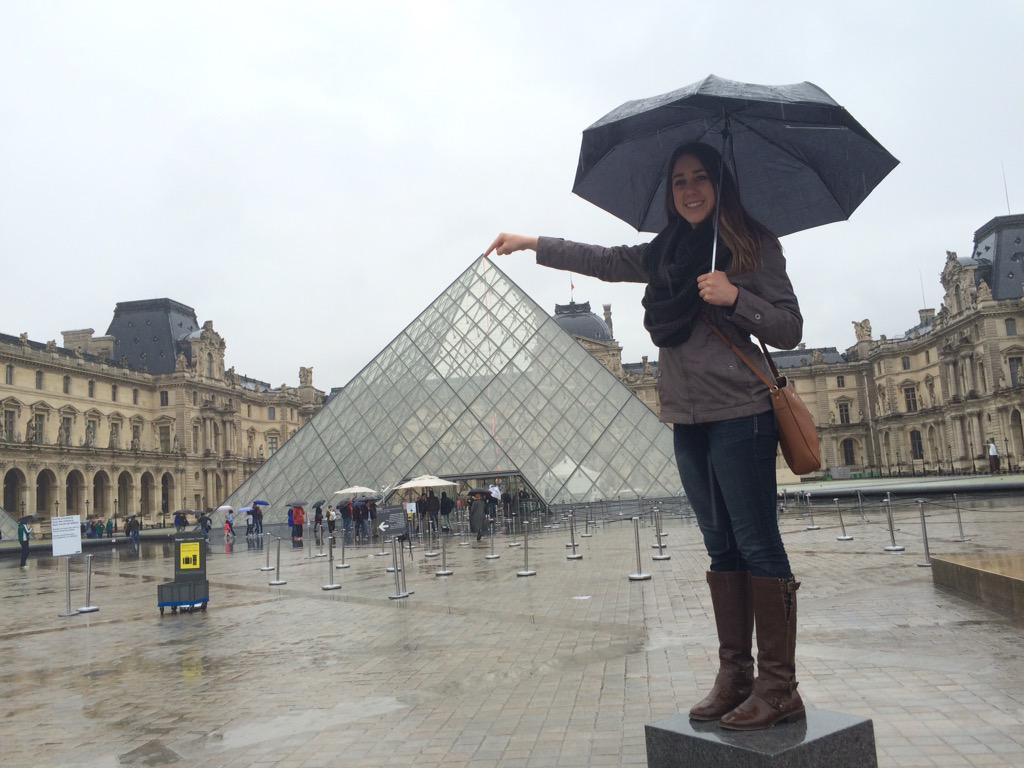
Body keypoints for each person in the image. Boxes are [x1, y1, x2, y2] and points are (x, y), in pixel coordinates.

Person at [485, 141, 804, 731]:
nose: (689, 189)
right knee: (721, 549)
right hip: (686, 420)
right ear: (669, 191)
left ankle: (780, 686)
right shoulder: (665, 253)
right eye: (679, 180)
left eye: (700, 177)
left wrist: (737, 298)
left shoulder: (752, 246)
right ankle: (736, 675)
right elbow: (604, 259)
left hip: (741, 414)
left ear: (719, 183)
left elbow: (789, 326)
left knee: (758, 546)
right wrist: (533, 244)